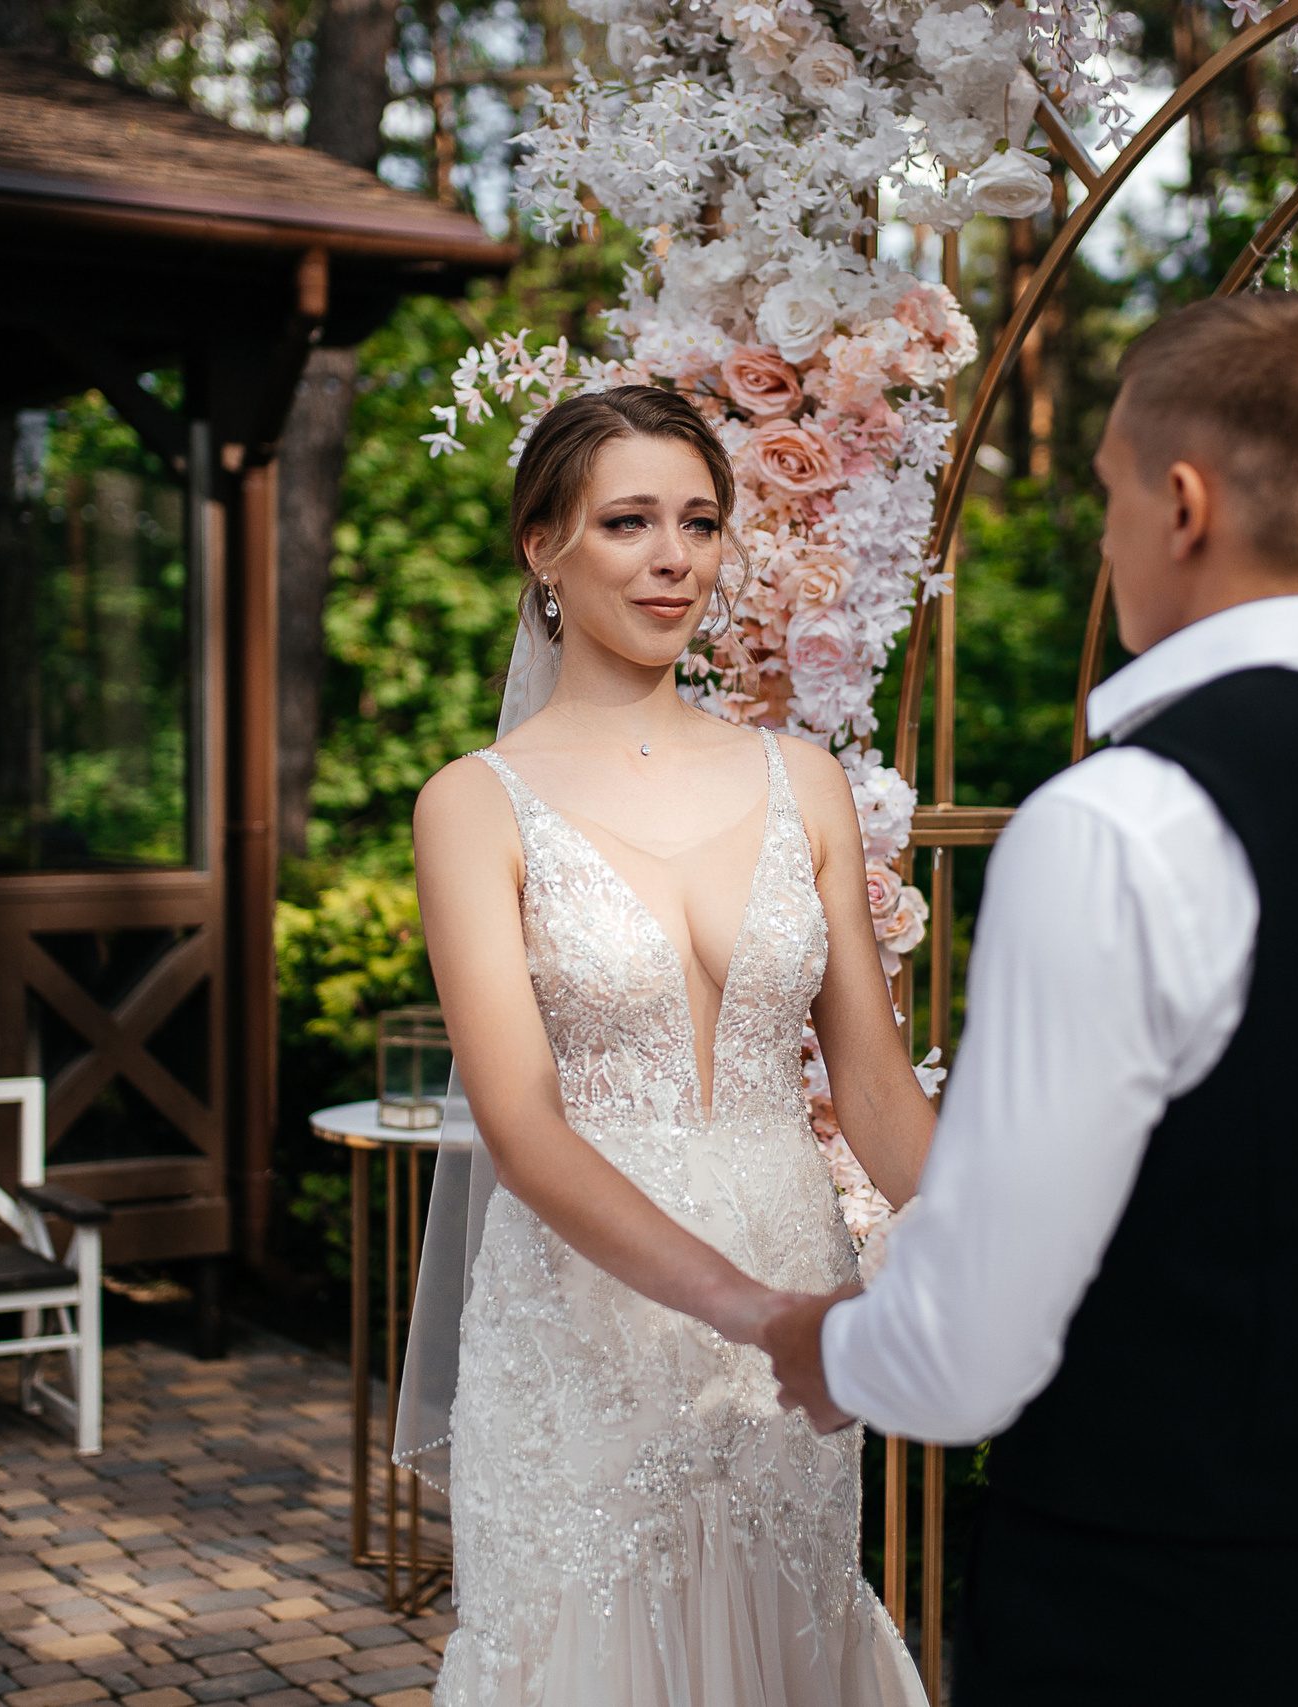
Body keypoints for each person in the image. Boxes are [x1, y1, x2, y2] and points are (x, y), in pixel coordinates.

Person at [754, 292, 1298, 1702]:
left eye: (1108, 496)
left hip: (1146, 1619)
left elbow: (968, 1359)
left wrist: (822, 1344)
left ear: (1181, 504)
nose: (1108, 540)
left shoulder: (1125, 823)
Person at [410, 385, 934, 1706]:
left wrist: (1021, 1241)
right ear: (543, 544)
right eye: (629, 521)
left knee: (784, 1643)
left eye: (700, 523)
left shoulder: (802, 782)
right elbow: (522, 1132)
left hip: (792, 1302)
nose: (673, 557)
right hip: (587, 1321)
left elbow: (871, 1082)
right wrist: (754, 1313)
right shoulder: (475, 806)